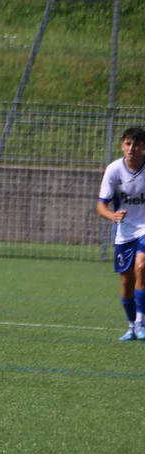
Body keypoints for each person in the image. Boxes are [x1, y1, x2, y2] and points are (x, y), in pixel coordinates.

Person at [97, 126, 145, 340]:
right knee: (126, 281)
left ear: (143, 146)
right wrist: (113, 216)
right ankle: (131, 326)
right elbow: (101, 206)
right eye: (128, 143)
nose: (131, 148)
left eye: (136, 144)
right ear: (122, 146)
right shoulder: (114, 170)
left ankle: (141, 322)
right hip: (124, 232)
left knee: (141, 266)